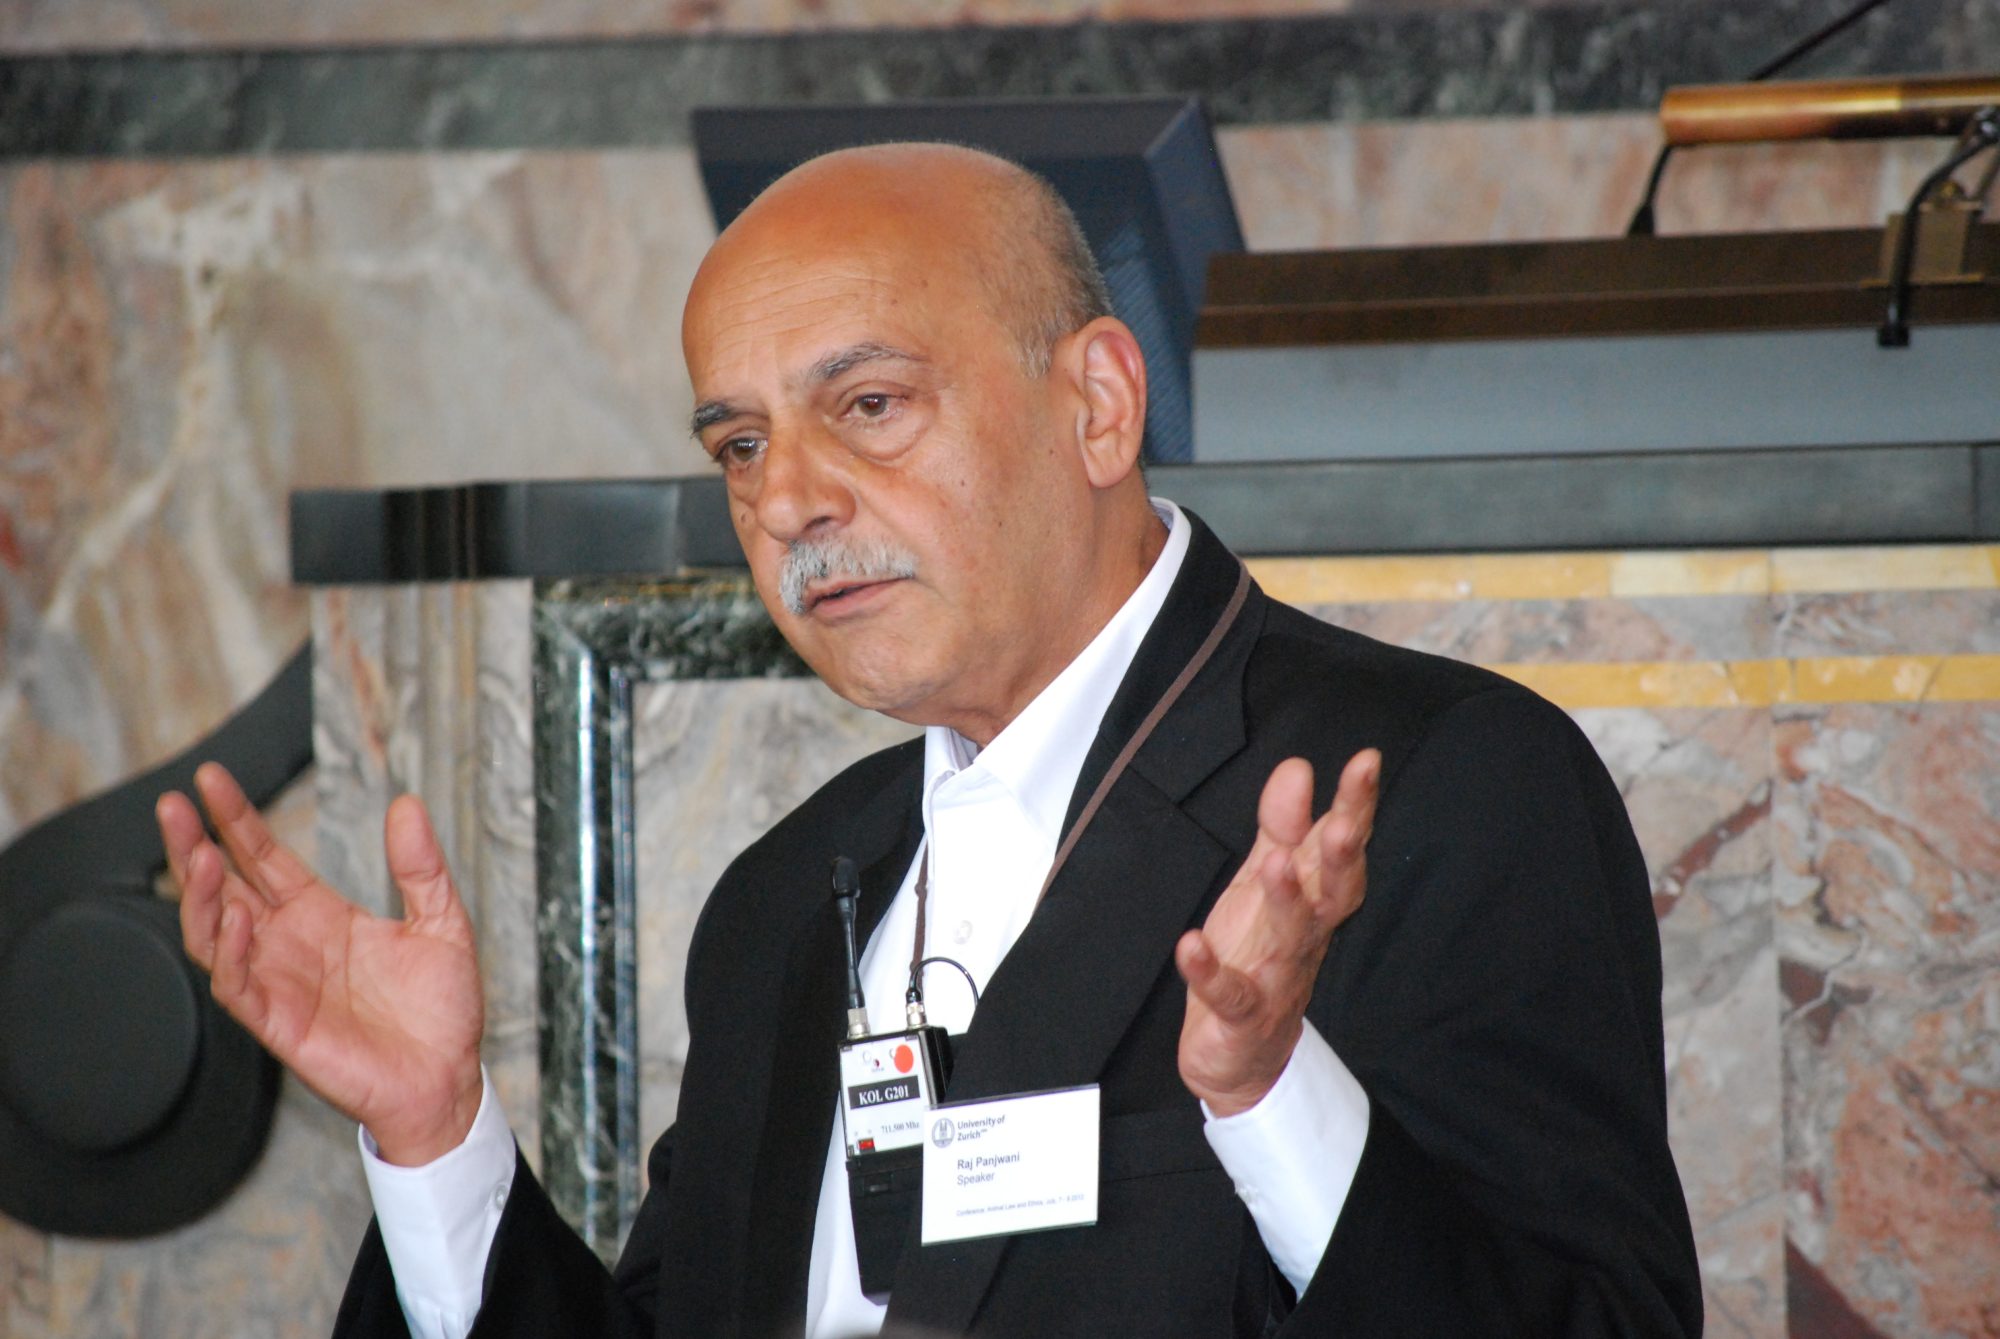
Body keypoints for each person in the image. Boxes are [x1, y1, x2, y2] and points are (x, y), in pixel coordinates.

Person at [157, 143, 1702, 1337]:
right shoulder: (784, 900)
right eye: (741, 444)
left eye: (871, 406)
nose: (787, 501)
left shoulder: (1440, 787)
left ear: (1098, 407)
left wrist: (1271, 1095)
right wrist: (437, 1140)